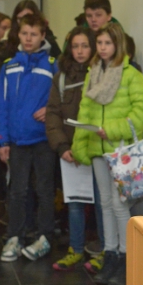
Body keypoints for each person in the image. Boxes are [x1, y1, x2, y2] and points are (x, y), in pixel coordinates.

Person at [72, 23, 143, 285]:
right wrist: (80, 144)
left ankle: (127, 258)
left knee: (119, 206)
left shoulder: (131, 75)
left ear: (117, 44)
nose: (103, 48)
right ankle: (111, 254)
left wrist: (112, 129)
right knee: (105, 204)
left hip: (121, 150)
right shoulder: (93, 73)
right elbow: (85, 110)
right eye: (100, 43)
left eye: (107, 43)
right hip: (98, 148)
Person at [0, 14, 59, 262]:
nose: (29, 38)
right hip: (17, 140)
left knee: (44, 190)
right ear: (18, 35)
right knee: (17, 191)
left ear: (43, 36)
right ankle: (15, 237)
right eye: (24, 33)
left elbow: (61, 99)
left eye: (34, 34)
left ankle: (44, 237)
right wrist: (2, 140)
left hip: (43, 139)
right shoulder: (9, 66)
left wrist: (49, 110)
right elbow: (1, 105)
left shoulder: (52, 65)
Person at [45, 26, 104, 271]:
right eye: (75, 46)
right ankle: (76, 249)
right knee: (75, 202)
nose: (80, 51)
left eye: (85, 46)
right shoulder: (60, 78)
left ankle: (104, 251)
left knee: (102, 203)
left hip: (97, 151)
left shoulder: (102, 74)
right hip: (70, 151)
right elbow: (53, 114)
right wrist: (62, 146)